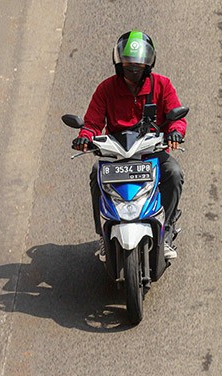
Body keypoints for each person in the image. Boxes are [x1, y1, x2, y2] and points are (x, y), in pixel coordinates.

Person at [71, 30, 186, 259]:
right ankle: (103, 236)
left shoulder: (162, 85)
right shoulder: (106, 89)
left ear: (148, 64)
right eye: (128, 63)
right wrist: (85, 136)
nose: (133, 68)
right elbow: (92, 122)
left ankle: (168, 231)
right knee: (96, 174)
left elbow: (177, 118)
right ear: (119, 62)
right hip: (116, 154)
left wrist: (175, 133)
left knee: (173, 173)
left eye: (138, 64)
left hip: (151, 152)